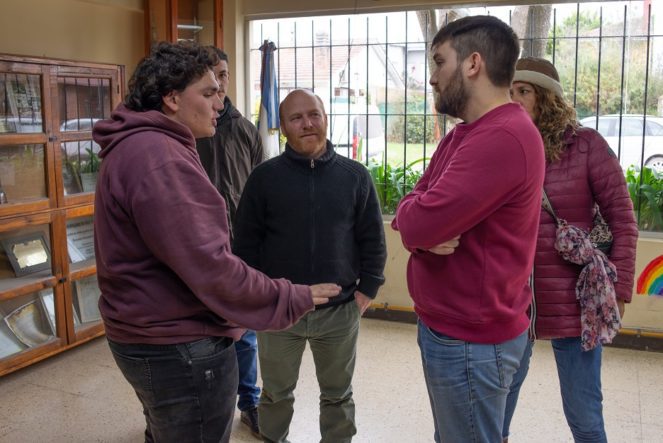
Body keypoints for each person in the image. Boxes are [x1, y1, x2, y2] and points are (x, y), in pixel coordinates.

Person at [92, 42, 340, 443]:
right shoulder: (160, 158)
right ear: (172, 98)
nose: (219, 104)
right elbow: (212, 268)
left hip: (145, 332)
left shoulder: (141, 145)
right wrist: (291, 296)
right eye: (208, 93)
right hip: (179, 345)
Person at [391, 16, 545, 443]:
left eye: (439, 62)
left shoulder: (503, 137)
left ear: (473, 64)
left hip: (471, 344)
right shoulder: (463, 136)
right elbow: (411, 208)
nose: (432, 78)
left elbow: (418, 221)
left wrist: (416, 226)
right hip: (458, 333)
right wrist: (416, 227)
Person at [233, 88, 387, 443]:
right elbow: (246, 246)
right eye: (296, 118)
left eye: (314, 115)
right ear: (283, 127)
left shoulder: (355, 176)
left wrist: (367, 292)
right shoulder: (264, 178)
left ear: (326, 118)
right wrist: (257, 299)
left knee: (338, 395)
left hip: (339, 311)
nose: (307, 124)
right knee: (274, 394)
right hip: (279, 310)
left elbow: (372, 240)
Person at [503, 57, 638, 443]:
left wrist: (621, 288)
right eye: (509, 92)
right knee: (494, 413)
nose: (514, 100)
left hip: (578, 303)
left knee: (584, 417)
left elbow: (623, 220)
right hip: (513, 304)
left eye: (523, 92)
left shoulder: (586, 146)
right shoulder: (503, 148)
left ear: (547, 98)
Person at [195, 46, 263, 438]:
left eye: (223, 73)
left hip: (239, 247)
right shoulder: (184, 127)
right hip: (198, 248)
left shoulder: (244, 130)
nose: (218, 82)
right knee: (201, 331)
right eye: (210, 75)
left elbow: (257, 190)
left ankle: (250, 402)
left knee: (245, 333)